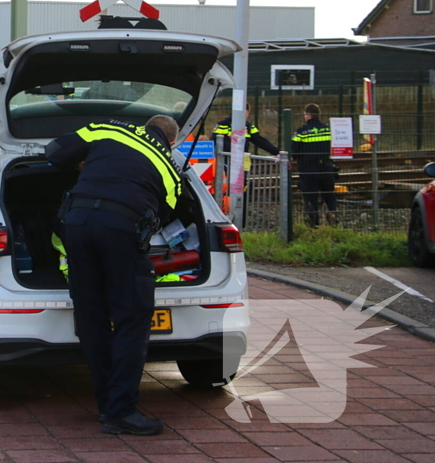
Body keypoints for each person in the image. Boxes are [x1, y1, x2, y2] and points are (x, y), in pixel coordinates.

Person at [45, 114, 181, 437]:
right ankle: (121, 411)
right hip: (120, 229)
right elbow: (165, 213)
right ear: (172, 141)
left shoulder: (107, 127)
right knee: (132, 319)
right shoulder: (168, 166)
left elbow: (54, 152)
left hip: (75, 225)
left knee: (91, 316)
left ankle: (108, 405)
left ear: (145, 124)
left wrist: (84, 164)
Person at [292, 103, 337, 227]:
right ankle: (334, 220)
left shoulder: (301, 131)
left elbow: (294, 151)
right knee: (329, 196)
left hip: (308, 170)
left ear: (307, 115)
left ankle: (313, 225)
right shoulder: (328, 129)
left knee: (311, 198)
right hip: (326, 168)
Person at [212, 104, 279, 156]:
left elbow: (260, 141)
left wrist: (277, 152)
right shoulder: (224, 124)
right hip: (226, 160)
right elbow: (213, 141)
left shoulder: (249, 126)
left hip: (240, 160)